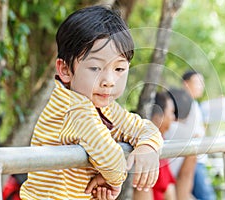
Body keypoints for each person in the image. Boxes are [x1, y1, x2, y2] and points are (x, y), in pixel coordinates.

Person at [20, 5, 163, 200]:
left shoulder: (106, 108)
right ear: (65, 70)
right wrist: (114, 180)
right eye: (95, 68)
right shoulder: (73, 108)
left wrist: (148, 147)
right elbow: (112, 162)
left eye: (119, 69)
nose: (109, 81)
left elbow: (145, 128)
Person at [133, 91, 176, 200]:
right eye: (171, 112)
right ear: (158, 117)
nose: (173, 117)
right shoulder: (146, 147)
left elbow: (169, 188)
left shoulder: (160, 142)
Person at [181, 70, 216, 200]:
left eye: (202, 83)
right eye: (197, 82)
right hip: (193, 160)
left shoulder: (195, 105)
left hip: (198, 159)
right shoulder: (184, 105)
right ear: (186, 84)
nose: (201, 86)